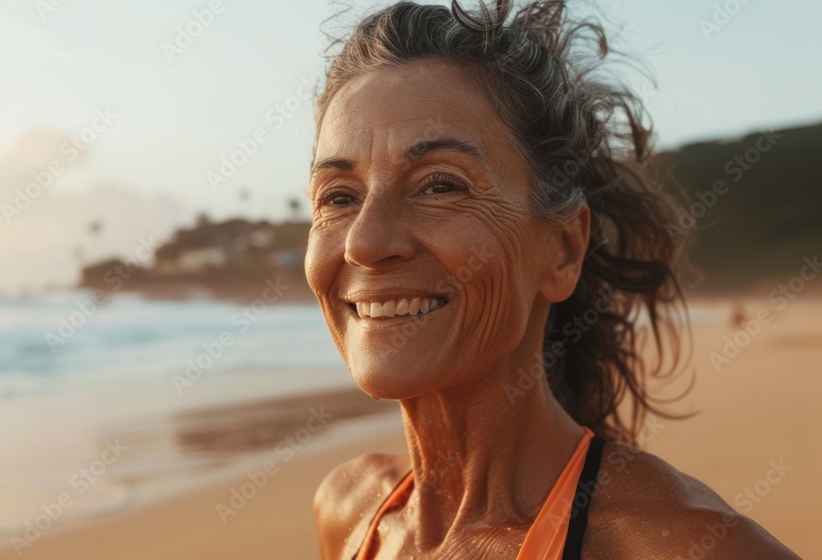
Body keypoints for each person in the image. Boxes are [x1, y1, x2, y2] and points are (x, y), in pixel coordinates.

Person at [303, 1, 799, 558]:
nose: (363, 243)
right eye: (339, 197)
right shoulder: (350, 509)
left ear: (563, 249)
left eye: (440, 185)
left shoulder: (682, 546)